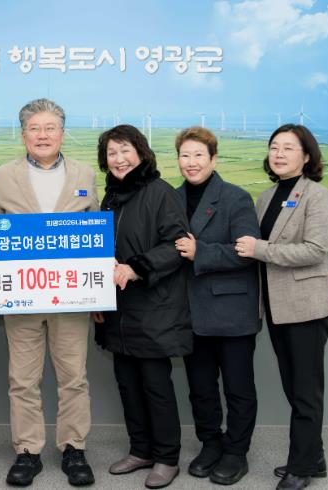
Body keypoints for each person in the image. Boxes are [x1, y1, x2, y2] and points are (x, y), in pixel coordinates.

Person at [0, 98, 99, 487]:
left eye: (50, 128)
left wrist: (98, 291)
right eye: (34, 128)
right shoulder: (3, 175)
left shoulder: (85, 174)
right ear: (23, 135)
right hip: (22, 298)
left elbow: (96, 237)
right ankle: (27, 451)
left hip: (72, 298)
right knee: (22, 379)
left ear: (62, 133)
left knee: (74, 377)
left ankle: (74, 448)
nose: (43, 135)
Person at [235, 124, 328, 490]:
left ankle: (301, 467)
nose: (278, 153)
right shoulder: (266, 197)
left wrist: (259, 249)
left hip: (306, 308)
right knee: (294, 387)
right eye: (274, 146)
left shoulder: (317, 196)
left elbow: (315, 250)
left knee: (306, 391)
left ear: (306, 156)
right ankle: (314, 458)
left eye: (288, 148)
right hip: (277, 308)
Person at [92, 124, 191, 489]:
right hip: (118, 309)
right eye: (111, 153)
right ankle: (140, 450)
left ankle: (167, 457)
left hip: (154, 308)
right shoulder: (110, 196)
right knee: (128, 383)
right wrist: (94, 297)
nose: (119, 159)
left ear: (141, 153)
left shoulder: (160, 192)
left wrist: (136, 268)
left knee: (155, 385)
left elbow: (177, 246)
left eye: (125, 151)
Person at [173, 127, 261, 485]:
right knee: (201, 387)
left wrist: (201, 252)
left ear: (214, 159)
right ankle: (210, 443)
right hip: (190, 312)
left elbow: (247, 252)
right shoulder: (172, 198)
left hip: (232, 311)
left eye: (198, 155)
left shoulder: (236, 197)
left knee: (238, 388)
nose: (191, 162)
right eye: (185, 155)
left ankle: (236, 452)